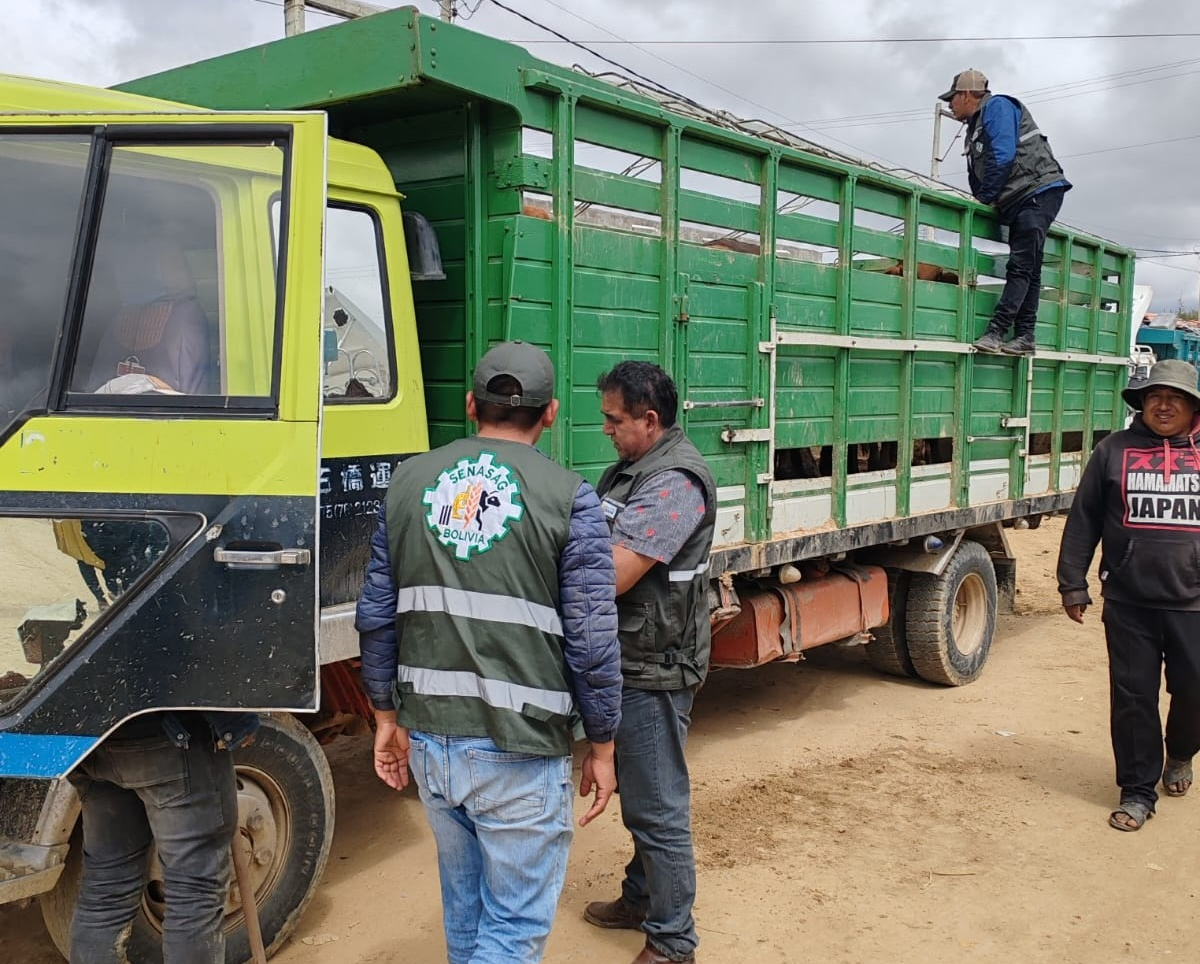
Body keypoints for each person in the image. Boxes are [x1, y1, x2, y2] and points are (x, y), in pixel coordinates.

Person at [356, 340, 622, 964]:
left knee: (468, 914)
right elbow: (591, 637)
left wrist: (386, 719)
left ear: (469, 405)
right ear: (551, 413)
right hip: (520, 749)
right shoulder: (569, 496)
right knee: (509, 933)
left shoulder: (408, 483)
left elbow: (376, 616)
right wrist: (603, 744)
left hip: (431, 744)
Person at [584, 361, 716, 964]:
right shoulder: (631, 469)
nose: (606, 429)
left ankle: (672, 942)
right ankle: (641, 898)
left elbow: (612, 573)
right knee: (643, 791)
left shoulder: (674, 483)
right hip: (633, 654)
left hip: (655, 664)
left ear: (650, 419)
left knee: (657, 806)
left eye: (614, 419)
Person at [1056, 359, 1200, 832]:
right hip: (1130, 601)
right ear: (1141, 402)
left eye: (1175, 398)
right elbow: (1085, 520)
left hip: (1194, 604)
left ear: (1192, 406)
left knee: (1194, 693)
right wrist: (1072, 582)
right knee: (1133, 697)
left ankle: (1180, 752)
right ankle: (1137, 791)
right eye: (1155, 396)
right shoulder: (1112, 451)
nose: (1164, 405)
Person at [68, 709, 258, 964]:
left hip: (88, 736)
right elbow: (180, 668)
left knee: (105, 893)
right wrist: (237, 722)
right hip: (166, 735)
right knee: (193, 895)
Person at [938, 68, 1072, 357]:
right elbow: (981, 171)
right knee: (1030, 267)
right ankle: (1025, 335)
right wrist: (984, 194)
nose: (950, 105)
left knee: (1021, 266)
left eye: (953, 99)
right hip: (1026, 196)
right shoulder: (976, 126)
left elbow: (1002, 155)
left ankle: (996, 331)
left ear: (966, 94)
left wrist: (986, 197)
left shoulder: (997, 107)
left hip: (1036, 192)